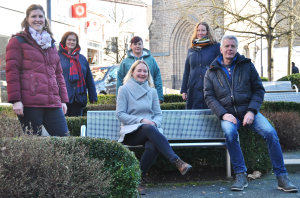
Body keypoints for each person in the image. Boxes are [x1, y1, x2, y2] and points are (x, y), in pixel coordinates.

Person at [204, 35, 298, 192]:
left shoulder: (247, 65)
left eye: (232, 46)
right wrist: (223, 114)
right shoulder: (212, 71)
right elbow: (209, 96)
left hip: (249, 112)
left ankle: (282, 177)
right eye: (226, 46)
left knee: (270, 133)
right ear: (221, 49)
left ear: (236, 48)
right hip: (228, 115)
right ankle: (241, 175)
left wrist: (252, 111)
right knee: (229, 133)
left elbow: (258, 90)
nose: (229, 49)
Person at [116, 60, 192, 194]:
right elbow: (120, 114)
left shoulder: (152, 91)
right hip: (131, 133)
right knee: (148, 128)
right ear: (132, 72)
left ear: (148, 74)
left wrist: (155, 123)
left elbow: (158, 115)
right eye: (139, 70)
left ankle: (136, 180)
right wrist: (141, 120)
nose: (142, 73)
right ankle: (177, 161)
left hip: (151, 131)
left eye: (145, 71)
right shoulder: (124, 89)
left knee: (152, 144)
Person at [5, 4, 69, 136]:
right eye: (33, 16)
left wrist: (63, 100)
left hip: (53, 103)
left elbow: (58, 74)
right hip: (30, 103)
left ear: (45, 19)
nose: (37, 19)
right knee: (34, 144)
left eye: (40, 16)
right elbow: (12, 72)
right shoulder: (18, 41)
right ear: (27, 19)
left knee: (65, 140)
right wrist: (16, 100)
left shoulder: (51, 44)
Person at [181, 22, 221, 109]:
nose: (200, 33)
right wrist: (183, 90)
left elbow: (220, 67)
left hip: (210, 87)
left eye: (203, 30)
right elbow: (187, 71)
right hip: (193, 88)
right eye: (198, 30)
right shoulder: (191, 50)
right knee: (193, 118)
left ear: (207, 32)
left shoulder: (216, 47)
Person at [58, 31, 97, 116]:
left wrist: (93, 96)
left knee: (77, 126)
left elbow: (89, 78)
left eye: (74, 40)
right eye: (69, 40)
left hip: (78, 98)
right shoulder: (57, 56)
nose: (71, 42)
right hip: (62, 99)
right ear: (64, 41)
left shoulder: (82, 59)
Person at [117, 36, 164, 102]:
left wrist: (159, 97)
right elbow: (120, 80)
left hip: (148, 95)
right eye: (135, 44)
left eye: (139, 44)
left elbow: (157, 77)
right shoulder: (125, 62)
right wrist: (119, 97)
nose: (137, 46)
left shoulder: (151, 60)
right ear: (131, 46)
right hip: (130, 96)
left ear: (143, 46)